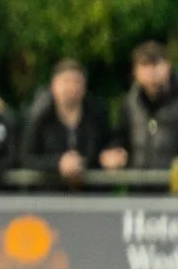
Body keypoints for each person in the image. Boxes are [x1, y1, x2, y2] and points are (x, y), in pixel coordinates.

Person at [21, 59, 122, 184]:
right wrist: (58, 163)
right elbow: (27, 157)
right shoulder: (40, 117)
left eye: (77, 82)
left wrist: (113, 155)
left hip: (91, 193)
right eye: (66, 82)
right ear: (54, 85)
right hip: (50, 194)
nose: (72, 88)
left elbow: (111, 143)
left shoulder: (98, 113)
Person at [123, 40, 178, 173]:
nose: (151, 72)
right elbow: (121, 139)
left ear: (168, 66)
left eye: (156, 64)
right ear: (135, 71)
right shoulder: (129, 103)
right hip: (138, 186)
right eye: (145, 65)